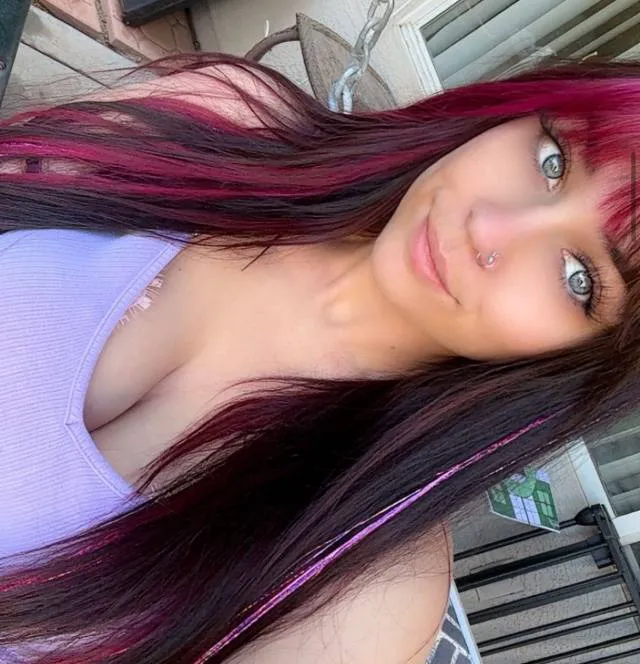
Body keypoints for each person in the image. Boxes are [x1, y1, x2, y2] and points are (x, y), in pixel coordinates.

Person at [0, 52, 638, 663]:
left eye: (579, 276)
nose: (490, 226)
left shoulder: (368, 600)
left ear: (588, 360)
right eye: (553, 159)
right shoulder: (224, 116)